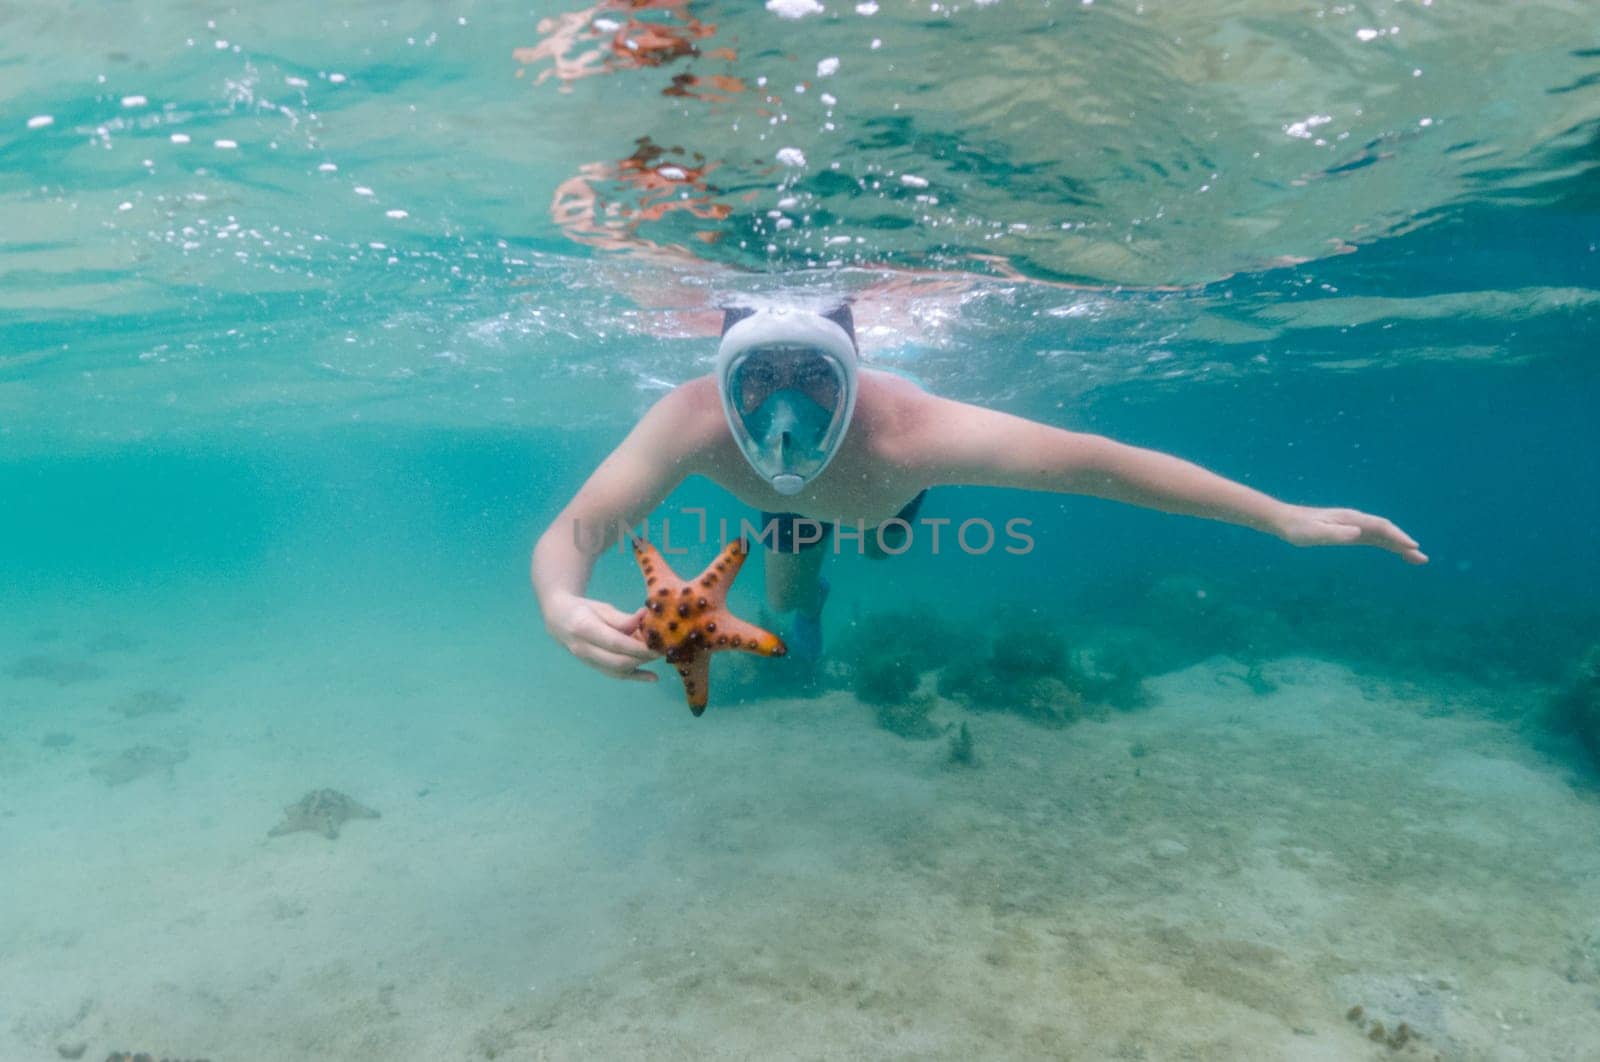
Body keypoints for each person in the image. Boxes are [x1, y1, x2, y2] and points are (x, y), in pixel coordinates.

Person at [532, 300, 1427, 684]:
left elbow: (1096, 463)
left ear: (853, 375)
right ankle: (807, 627)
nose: (785, 409)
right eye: (758, 379)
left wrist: (1280, 517)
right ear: (723, 382)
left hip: (885, 494)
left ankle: (871, 543)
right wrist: (559, 603)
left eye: (815, 375)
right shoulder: (691, 421)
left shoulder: (914, 431)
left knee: (882, 536)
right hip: (796, 514)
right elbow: (579, 529)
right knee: (789, 586)